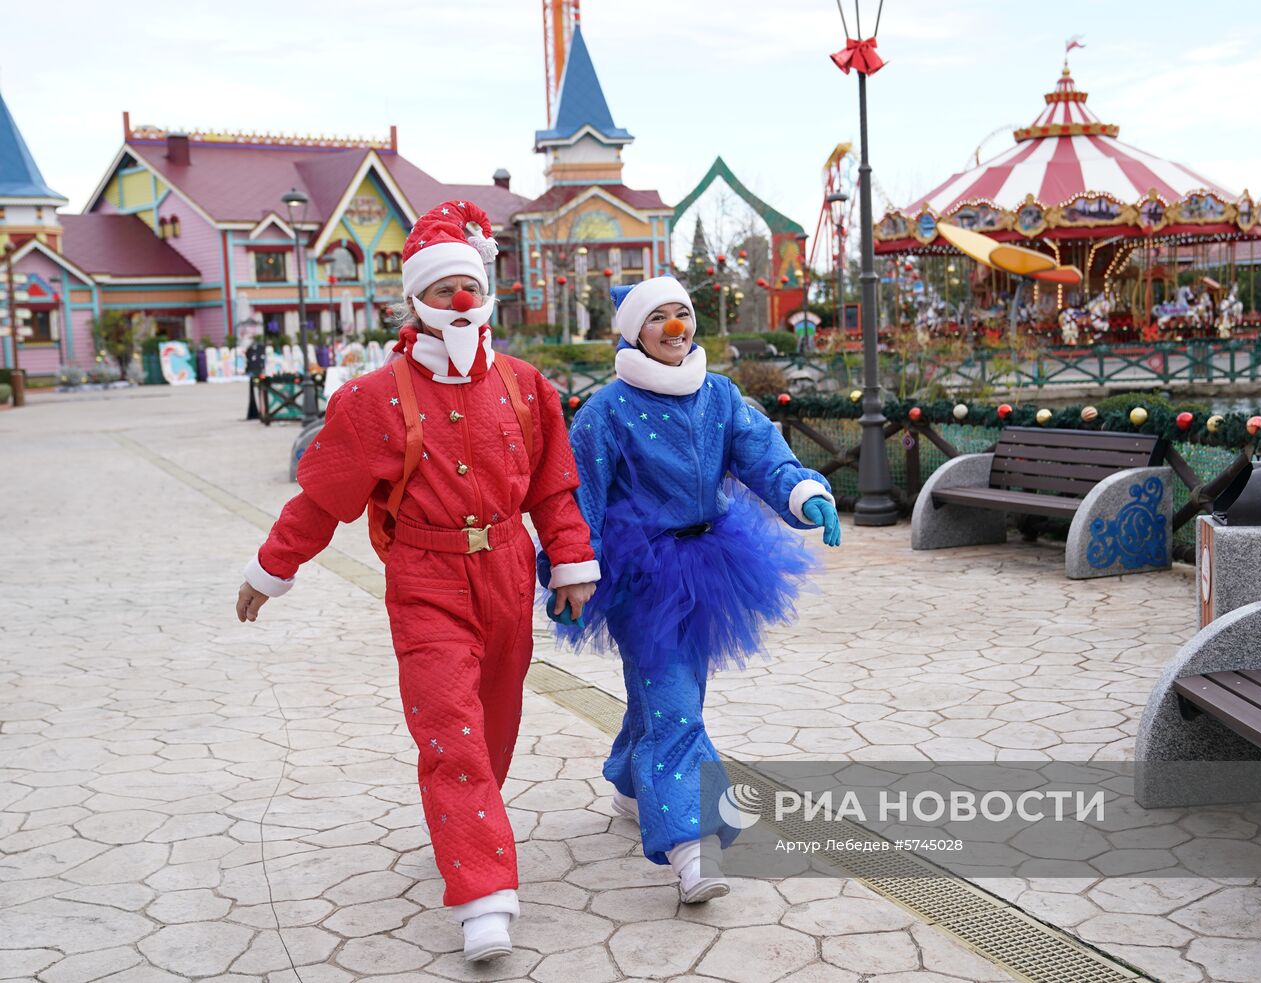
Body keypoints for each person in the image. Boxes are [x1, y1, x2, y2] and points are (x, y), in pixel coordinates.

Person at [234, 201, 598, 964]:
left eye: (468, 285)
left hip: (506, 570)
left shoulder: (527, 386)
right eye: (442, 290)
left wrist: (569, 559)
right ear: (415, 301)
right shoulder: (370, 401)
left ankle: (469, 822)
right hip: (425, 579)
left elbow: (552, 488)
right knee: (451, 732)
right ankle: (482, 894)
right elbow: (321, 497)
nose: (459, 301)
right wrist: (273, 567)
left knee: (491, 726)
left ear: (486, 293)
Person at [539, 275, 841, 902]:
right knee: (675, 699)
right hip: (638, 572)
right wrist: (569, 571)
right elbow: (581, 501)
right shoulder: (605, 412)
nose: (675, 328)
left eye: (682, 314)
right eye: (659, 318)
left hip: (712, 561)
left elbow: (762, 452)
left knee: (671, 690)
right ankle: (694, 846)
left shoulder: (721, 394)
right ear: (634, 334)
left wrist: (802, 492)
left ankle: (628, 778)